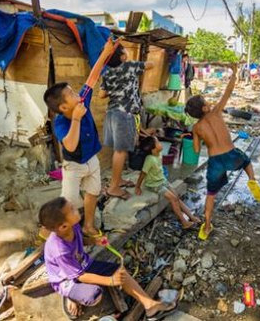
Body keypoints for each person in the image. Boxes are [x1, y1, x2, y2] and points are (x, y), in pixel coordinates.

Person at [39, 197, 177, 320]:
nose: (76, 208)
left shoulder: (73, 226)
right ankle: (70, 296)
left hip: (82, 265)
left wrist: (94, 241)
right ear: (63, 226)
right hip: (67, 279)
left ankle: (150, 305)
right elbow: (79, 276)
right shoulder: (59, 250)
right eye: (72, 209)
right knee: (94, 295)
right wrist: (109, 281)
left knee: (119, 272)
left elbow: (80, 241)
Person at [185, 71, 260, 241]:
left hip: (215, 161)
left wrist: (195, 138)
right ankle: (251, 180)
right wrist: (234, 75)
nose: (209, 102)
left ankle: (206, 227)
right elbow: (227, 92)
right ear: (205, 108)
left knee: (211, 195)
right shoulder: (216, 112)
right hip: (231, 154)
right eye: (206, 101)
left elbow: (197, 150)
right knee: (246, 162)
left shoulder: (196, 128)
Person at [43, 82, 102, 239]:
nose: (78, 96)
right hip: (73, 166)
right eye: (72, 94)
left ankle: (88, 226)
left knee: (93, 192)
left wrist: (103, 57)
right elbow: (70, 145)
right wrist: (76, 119)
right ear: (63, 107)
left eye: (75, 92)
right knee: (67, 203)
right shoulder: (60, 122)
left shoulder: (82, 102)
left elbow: (91, 79)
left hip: (92, 160)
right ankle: (49, 232)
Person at [99, 45, 154, 200]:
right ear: (122, 56)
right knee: (121, 151)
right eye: (125, 51)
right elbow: (151, 65)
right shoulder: (130, 66)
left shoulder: (108, 72)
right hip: (123, 115)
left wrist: (117, 87)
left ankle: (118, 180)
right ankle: (114, 187)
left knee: (118, 150)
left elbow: (102, 94)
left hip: (111, 113)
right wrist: (130, 66)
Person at [135, 136, 201, 229]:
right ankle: (184, 222)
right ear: (153, 149)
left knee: (177, 197)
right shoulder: (150, 159)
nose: (160, 143)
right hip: (154, 185)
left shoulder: (159, 153)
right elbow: (143, 174)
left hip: (162, 180)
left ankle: (191, 217)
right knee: (173, 199)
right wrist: (137, 186)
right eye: (158, 143)